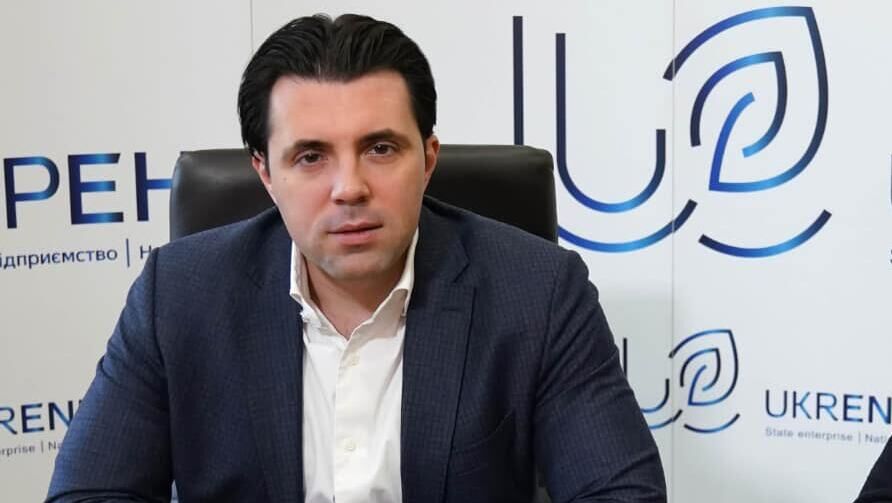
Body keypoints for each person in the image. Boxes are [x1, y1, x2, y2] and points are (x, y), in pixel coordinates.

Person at [46, 13, 666, 503]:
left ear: (428, 159)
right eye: (310, 156)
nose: (349, 188)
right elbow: (90, 493)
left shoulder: (539, 292)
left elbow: (622, 492)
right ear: (265, 173)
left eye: (380, 149)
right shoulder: (177, 295)